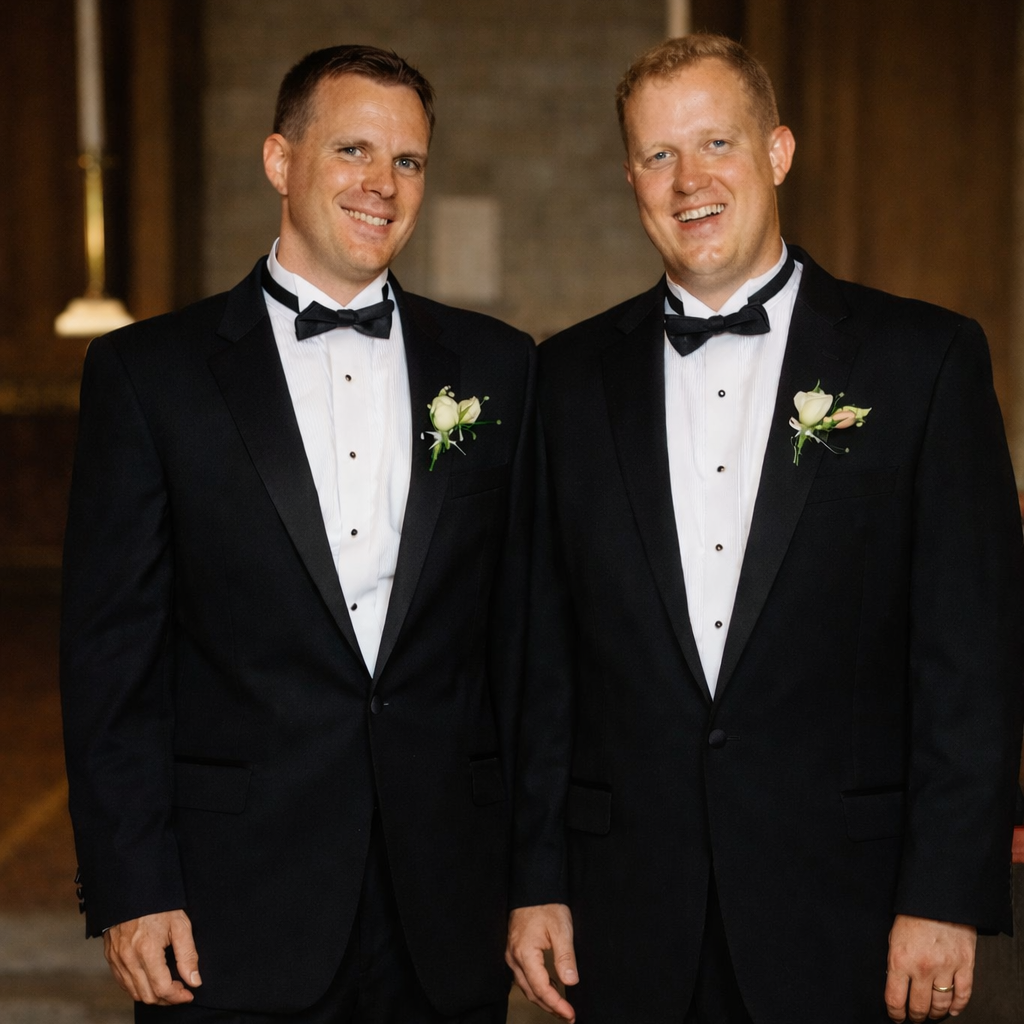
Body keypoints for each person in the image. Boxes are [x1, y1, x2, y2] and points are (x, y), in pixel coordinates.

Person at [506, 33, 1024, 1024]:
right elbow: (543, 656)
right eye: (658, 155)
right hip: (626, 917)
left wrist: (944, 894)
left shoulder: (923, 361)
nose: (688, 181)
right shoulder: (565, 379)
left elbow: (972, 656)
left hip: (854, 916)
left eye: (717, 143)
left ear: (777, 152)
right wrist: (535, 877)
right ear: (630, 178)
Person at [60, 44, 535, 1023]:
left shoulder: (499, 367)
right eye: (353, 150)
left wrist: (539, 876)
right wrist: (132, 883)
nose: (382, 183)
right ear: (280, 161)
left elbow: (526, 645)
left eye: (408, 160)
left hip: (445, 901)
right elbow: (111, 660)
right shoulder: (150, 376)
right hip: (230, 903)